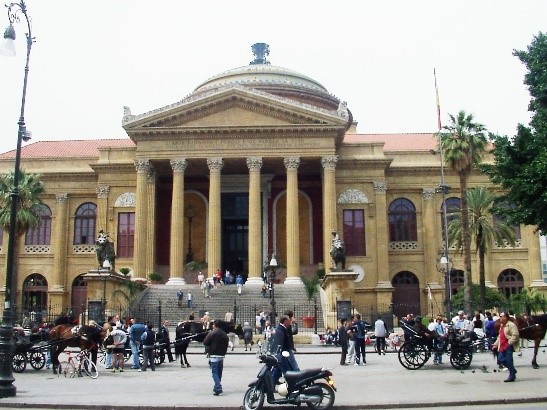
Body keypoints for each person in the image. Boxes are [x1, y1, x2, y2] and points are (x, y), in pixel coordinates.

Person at [203, 320, 229, 396]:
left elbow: (205, 342)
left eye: (213, 324)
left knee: (214, 372)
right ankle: (216, 386)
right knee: (219, 372)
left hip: (213, 355)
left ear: (215, 325)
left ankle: (218, 387)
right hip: (221, 355)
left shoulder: (212, 333)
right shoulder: (224, 334)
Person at [493, 311, 519, 382]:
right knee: (500, 359)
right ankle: (512, 370)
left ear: (505, 317)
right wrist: (495, 344)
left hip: (508, 345)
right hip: (502, 345)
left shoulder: (511, 325)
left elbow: (515, 335)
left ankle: (511, 376)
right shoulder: (502, 325)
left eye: (501, 316)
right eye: (500, 316)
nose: (500, 318)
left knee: (509, 360)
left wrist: (509, 343)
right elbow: (500, 336)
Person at [271, 315, 294, 384]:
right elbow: (279, 343)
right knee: (286, 370)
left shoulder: (282, 329)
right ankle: (292, 384)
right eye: (288, 321)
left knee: (278, 370)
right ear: (285, 321)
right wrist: (279, 353)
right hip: (282, 355)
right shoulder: (280, 330)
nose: (290, 322)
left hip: (283, 354)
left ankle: (272, 384)